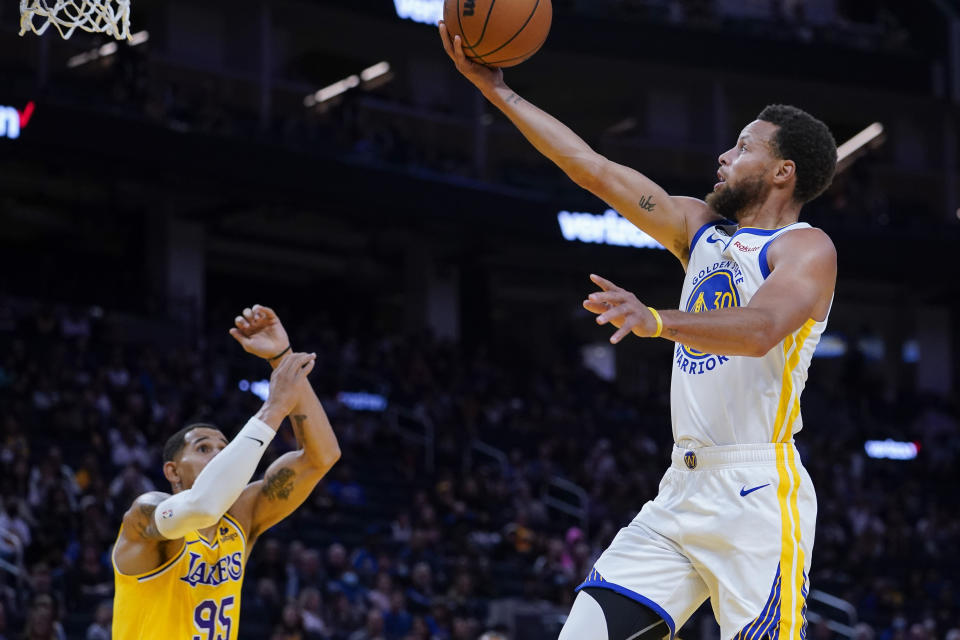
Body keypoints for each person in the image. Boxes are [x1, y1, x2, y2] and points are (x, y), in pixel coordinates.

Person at [439, 23, 838, 640]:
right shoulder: (700, 228)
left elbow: (761, 329)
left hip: (757, 492)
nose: (724, 157)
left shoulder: (805, 247)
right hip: (682, 485)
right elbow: (591, 168)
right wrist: (497, 91)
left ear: (783, 172)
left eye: (743, 147)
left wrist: (657, 321)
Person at [111, 305, 342, 639]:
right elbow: (204, 506)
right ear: (172, 471)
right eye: (204, 449)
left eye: (224, 448)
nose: (219, 456)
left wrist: (283, 358)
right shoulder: (144, 515)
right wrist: (274, 408)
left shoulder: (241, 517)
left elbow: (322, 457)